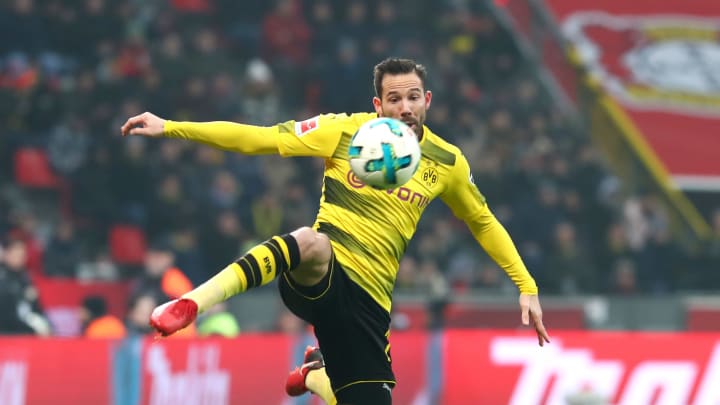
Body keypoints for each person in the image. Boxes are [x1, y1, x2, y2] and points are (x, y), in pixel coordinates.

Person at [120, 57, 550, 405]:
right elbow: (260, 139)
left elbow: (483, 221)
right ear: (378, 105)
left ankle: (317, 378)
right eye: (394, 98)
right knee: (310, 242)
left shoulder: (447, 162)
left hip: (370, 305)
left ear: (427, 101)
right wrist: (173, 127)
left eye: (413, 97)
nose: (405, 107)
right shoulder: (344, 131)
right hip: (321, 276)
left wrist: (525, 284)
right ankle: (192, 302)